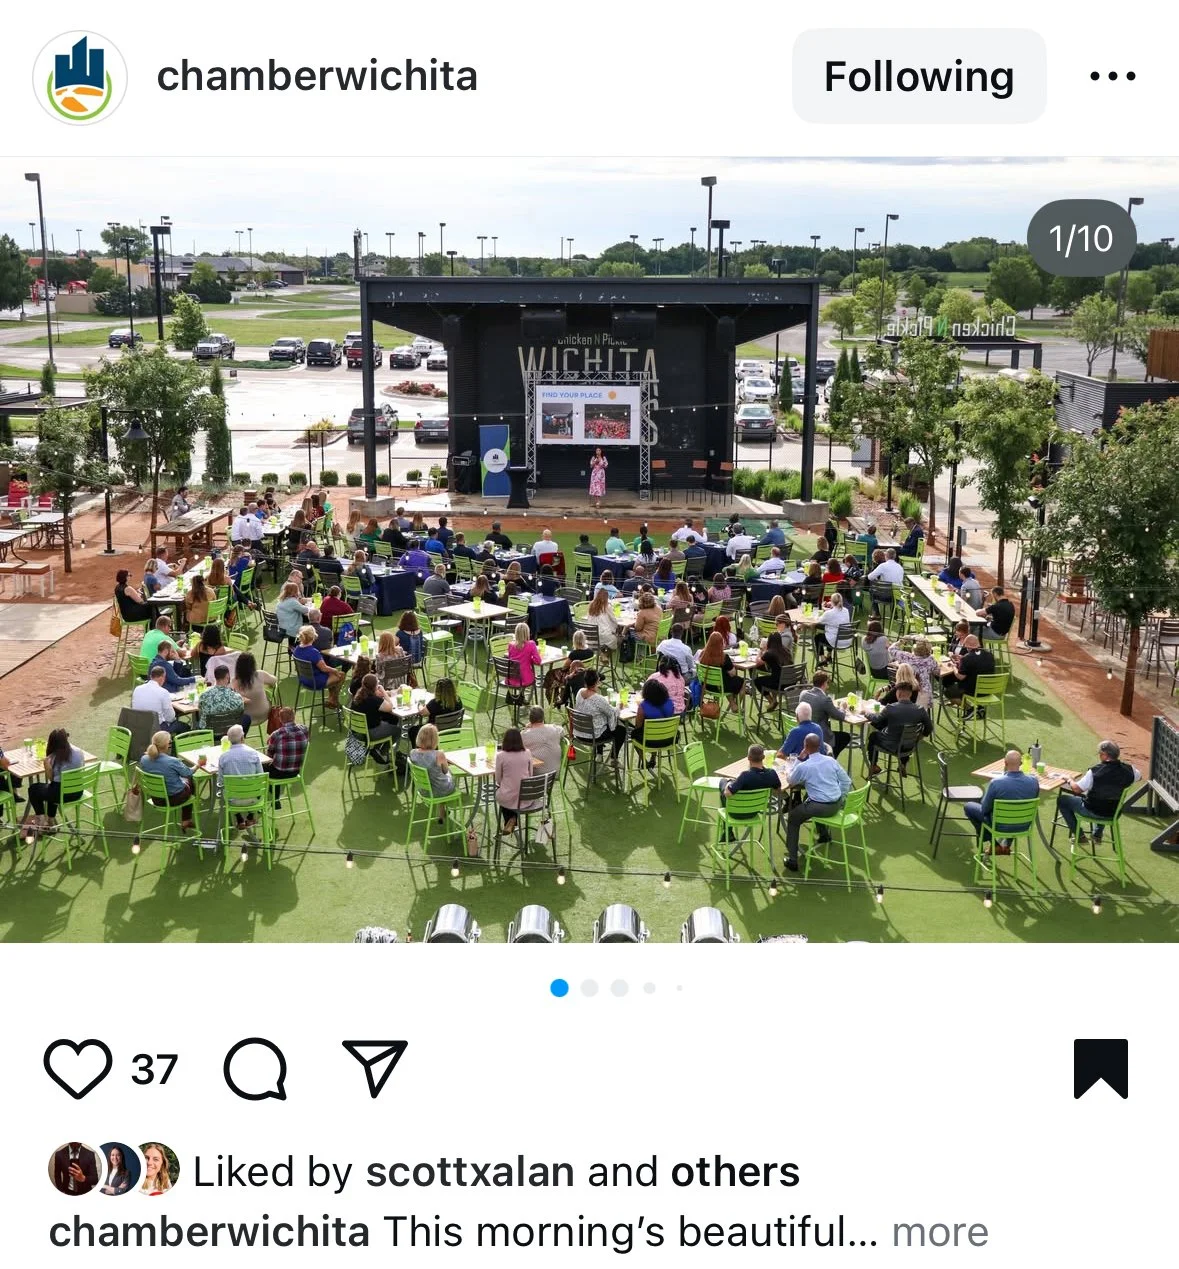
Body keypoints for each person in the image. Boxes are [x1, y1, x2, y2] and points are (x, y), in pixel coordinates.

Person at [782, 732, 853, 871]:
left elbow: (790, 779)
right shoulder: (831, 761)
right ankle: (824, 835)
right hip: (836, 803)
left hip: (819, 807)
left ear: (805, 746)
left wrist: (799, 759)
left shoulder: (805, 766)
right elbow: (846, 781)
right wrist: (841, 797)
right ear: (820, 745)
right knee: (808, 798)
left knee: (793, 818)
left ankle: (792, 860)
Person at [1057, 740, 1140, 843]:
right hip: (1114, 813)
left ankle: (1079, 836)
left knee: (1062, 800)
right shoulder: (1130, 770)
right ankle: (1097, 835)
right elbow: (1139, 777)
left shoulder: (1095, 772)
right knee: (1107, 799)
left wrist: (1069, 779)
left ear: (1105, 755)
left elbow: (1077, 789)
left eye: (1100, 754)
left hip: (1093, 810)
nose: (1099, 756)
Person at [963, 749, 1041, 849]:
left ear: (1005, 763)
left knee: (969, 806)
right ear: (1021, 763)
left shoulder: (996, 783)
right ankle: (1005, 845)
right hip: (1024, 826)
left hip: (999, 826)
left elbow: (984, 809)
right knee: (1015, 808)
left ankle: (995, 845)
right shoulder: (1034, 781)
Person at [19, 729, 84, 835]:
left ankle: (41, 820)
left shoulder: (52, 758)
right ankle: (50, 821)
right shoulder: (79, 752)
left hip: (60, 795)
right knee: (50, 789)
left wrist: (46, 763)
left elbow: (51, 778)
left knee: (33, 789)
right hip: (77, 792)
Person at [866, 681, 932, 775]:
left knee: (873, 736)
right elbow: (929, 728)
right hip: (909, 746)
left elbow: (876, 719)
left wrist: (866, 713)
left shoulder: (891, 708)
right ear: (910, 694)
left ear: (899, 693)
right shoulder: (920, 710)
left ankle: (873, 766)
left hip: (891, 745)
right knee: (903, 738)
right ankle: (903, 764)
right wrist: (918, 737)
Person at [139, 732, 197, 831]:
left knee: (182, 781)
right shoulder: (172, 761)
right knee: (190, 780)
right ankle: (186, 819)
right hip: (174, 799)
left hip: (156, 798)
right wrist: (198, 765)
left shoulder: (144, 759)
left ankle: (186, 819)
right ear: (167, 745)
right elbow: (188, 773)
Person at [720, 744, 782, 831]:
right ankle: (727, 831)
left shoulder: (745, 776)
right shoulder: (772, 773)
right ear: (763, 757)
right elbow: (778, 790)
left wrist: (729, 782)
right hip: (754, 812)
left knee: (722, 782)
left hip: (735, 814)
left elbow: (728, 794)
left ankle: (727, 831)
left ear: (748, 758)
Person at [218, 725, 264, 826]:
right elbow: (260, 776)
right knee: (251, 788)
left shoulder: (223, 757)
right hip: (254, 799)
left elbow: (220, 782)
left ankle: (239, 817)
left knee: (227, 790)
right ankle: (251, 816)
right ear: (242, 738)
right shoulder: (254, 754)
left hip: (233, 801)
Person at [574, 670, 627, 758]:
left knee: (600, 721)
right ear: (597, 681)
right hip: (593, 736)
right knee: (621, 730)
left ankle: (599, 754)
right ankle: (613, 758)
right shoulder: (598, 699)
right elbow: (612, 713)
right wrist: (619, 707)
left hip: (579, 732)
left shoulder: (580, 692)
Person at [350, 674, 399, 764]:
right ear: (375, 686)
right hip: (369, 733)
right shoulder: (373, 699)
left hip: (357, 732)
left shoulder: (358, 695)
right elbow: (390, 707)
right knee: (397, 731)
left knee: (391, 719)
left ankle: (376, 750)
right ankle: (382, 752)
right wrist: (383, 691)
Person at [800, 669, 850, 758]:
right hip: (821, 736)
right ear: (824, 683)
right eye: (827, 683)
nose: (828, 686)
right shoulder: (824, 699)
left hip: (804, 732)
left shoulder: (803, 694)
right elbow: (840, 716)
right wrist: (842, 708)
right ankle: (830, 758)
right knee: (845, 737)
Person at [293, 625, 345, 709]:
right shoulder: (313, 652)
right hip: (315, 681)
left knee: (332, 674)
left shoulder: (296, 650)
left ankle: (331, 700)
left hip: (303, 679)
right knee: (341, 675)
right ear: (313, 637)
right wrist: (334, 670)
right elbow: (324, 668)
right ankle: (333, 700)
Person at [266, 707, 309, 807]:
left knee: (262, 768)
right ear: (294, 717)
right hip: (296, 771)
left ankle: (271, 798)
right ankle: (275, 799)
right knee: (274, 766)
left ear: (280, 719)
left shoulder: (276, 734)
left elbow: (269, 755)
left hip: (279, 772)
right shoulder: (305, 730)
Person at [633, 677, 676, 766]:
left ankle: (644, 761)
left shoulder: (643, 706)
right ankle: (653, 758)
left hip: (650, 741)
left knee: (634, 735)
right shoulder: (670, 703)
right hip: (668, 738)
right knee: (656, 730)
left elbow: (638, 726)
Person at [888, 637, 939, 709]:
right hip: (923, 693)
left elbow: (891, 649)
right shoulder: (930, 659)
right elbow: (937, 672)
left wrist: (901, 641)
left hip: (906, 692)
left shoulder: (906, 657)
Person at [697, 630, 743, 710]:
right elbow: (733, 674)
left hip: (706, 686)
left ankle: (732, 704)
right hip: (720, 687)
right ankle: (735, 705)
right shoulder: (724, 657)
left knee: (726, 680)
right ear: (721, 643)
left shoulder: (702, 654)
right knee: (741, 682)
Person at [409, 724, 456, 803]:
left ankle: (442, 811)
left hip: (423, 790)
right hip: (440, 791)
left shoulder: (413, 753)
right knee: (450, 775)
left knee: (439, 778)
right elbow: (445, 771)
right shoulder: (439, 754)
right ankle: (443, 810)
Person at [943, 634, 995, 703]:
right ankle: (977, 709)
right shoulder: (990, 655)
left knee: (948, 692)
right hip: (988, 690)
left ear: (967, 646)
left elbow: (960, 677)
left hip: (973, 691)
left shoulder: (967, 658)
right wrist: (962, 660)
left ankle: (969, 709)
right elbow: (978, 664)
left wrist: (953, 666)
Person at [232, 653, 277, 729]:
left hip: (245, 717)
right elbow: (274, 680)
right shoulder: (260, 674)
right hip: (265, 712)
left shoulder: (234, 681)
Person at [198, 664, 248, 733]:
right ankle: (239, 739)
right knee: (246, 718)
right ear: (227, 677)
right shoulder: (237, 697)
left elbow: (200, 709)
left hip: (210, 733)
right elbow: (241, 711)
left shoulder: (204, 696)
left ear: (215, 677)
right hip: (230, 732)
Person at [521, 706, 563, 776]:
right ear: (543, 717)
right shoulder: (555, 729)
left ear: (530, 719)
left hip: (536, 775)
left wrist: (525, 729)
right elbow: (562, 730)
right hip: (554, 773)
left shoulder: (524, 734)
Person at [813, 592, 851, 664]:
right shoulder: (846, 610)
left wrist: (823, 608)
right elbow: (835, 611)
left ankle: (823, 658)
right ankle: (829, 655)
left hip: (836, 642)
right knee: (830, 633)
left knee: (817, 637)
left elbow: (818, 620)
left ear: (832, 601)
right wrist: (826, 609)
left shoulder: (829, 613)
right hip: (847, 640)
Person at [507, 621, 542, 697]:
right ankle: (523, 698)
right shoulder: (531, 644)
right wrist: (530, 659)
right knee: (531, 676)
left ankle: (520, 697)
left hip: (511, 677)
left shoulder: (510, 645)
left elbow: (510, 659)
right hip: (524, 678)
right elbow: (538, 661)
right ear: (527, 633)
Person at [753, 630, 790, 702]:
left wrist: (761, 649)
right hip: (790, 682)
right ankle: (774, 700)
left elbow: (757, 662)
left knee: (757, 681)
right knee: (771, 676)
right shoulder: (786, 650)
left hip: (780, 684)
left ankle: (771, 701)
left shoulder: (769, 653)